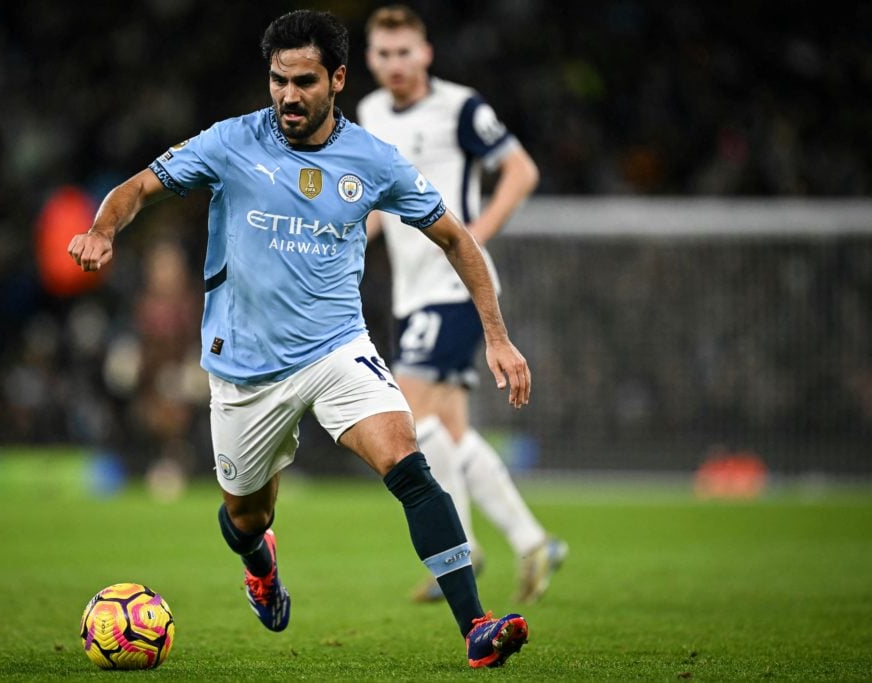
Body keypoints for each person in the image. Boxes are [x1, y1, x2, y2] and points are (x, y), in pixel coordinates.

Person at [68, 9, 532, 669]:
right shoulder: (230, 142)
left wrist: (498, 336)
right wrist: (104, 229)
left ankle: (476, 626)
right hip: (244, 369)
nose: (288, 95)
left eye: (304, 80)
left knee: (408, 462)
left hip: (337, 347)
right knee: (246, 518)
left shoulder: (372, 160)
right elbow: (139, 186)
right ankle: (261, 565)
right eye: (278, 80)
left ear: (338, 79)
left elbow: (456, 237)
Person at [358, 5, 567, 604]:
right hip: (411, 293)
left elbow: (521, 171)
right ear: (371, 60)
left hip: (453, 288)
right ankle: (532, 542)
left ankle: (465, 549)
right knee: (447, 430)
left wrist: (473, 235)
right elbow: (376, 199)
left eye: (405, 52)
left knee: (407, 413)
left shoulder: (461, 107)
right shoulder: (370, 114)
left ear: (425, 54)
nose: (395, 64)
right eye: (384, 54)